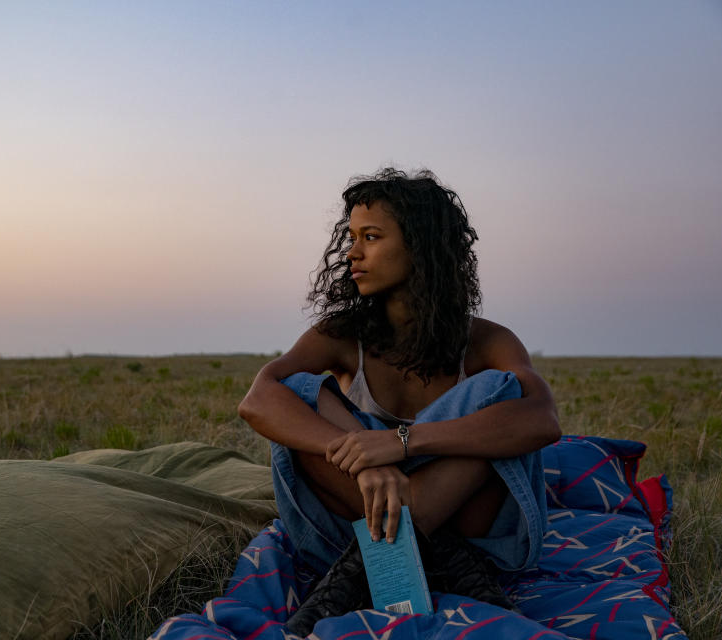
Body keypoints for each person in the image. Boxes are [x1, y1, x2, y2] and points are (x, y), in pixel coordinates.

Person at [238, 168, 561, 635]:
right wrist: (366, 461)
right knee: (293, 389)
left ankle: (355, 577)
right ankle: (435, 551)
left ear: (422, 245)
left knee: (498, 394)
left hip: (472, 528)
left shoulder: (487, 342)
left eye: (370, 237)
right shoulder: (343, 335)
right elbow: (258, 400)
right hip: (365, 509)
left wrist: (402, 442)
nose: (352, 252)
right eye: (350, 238)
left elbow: (542, 420)